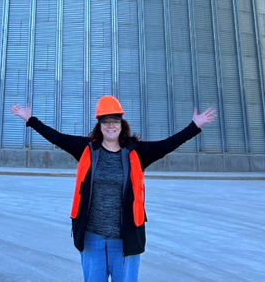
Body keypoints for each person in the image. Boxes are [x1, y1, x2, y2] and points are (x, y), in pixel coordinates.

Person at [11, 96, 217, 282]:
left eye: (115, 121)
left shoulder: (137, 152)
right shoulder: (86, 149)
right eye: (106, 121)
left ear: (122, 123)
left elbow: (167, 145)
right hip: (93, 237)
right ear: (99, 125)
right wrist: (31, 120)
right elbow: (57, 137)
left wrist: (194, 126)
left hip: (125, 238)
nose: (111, 126)